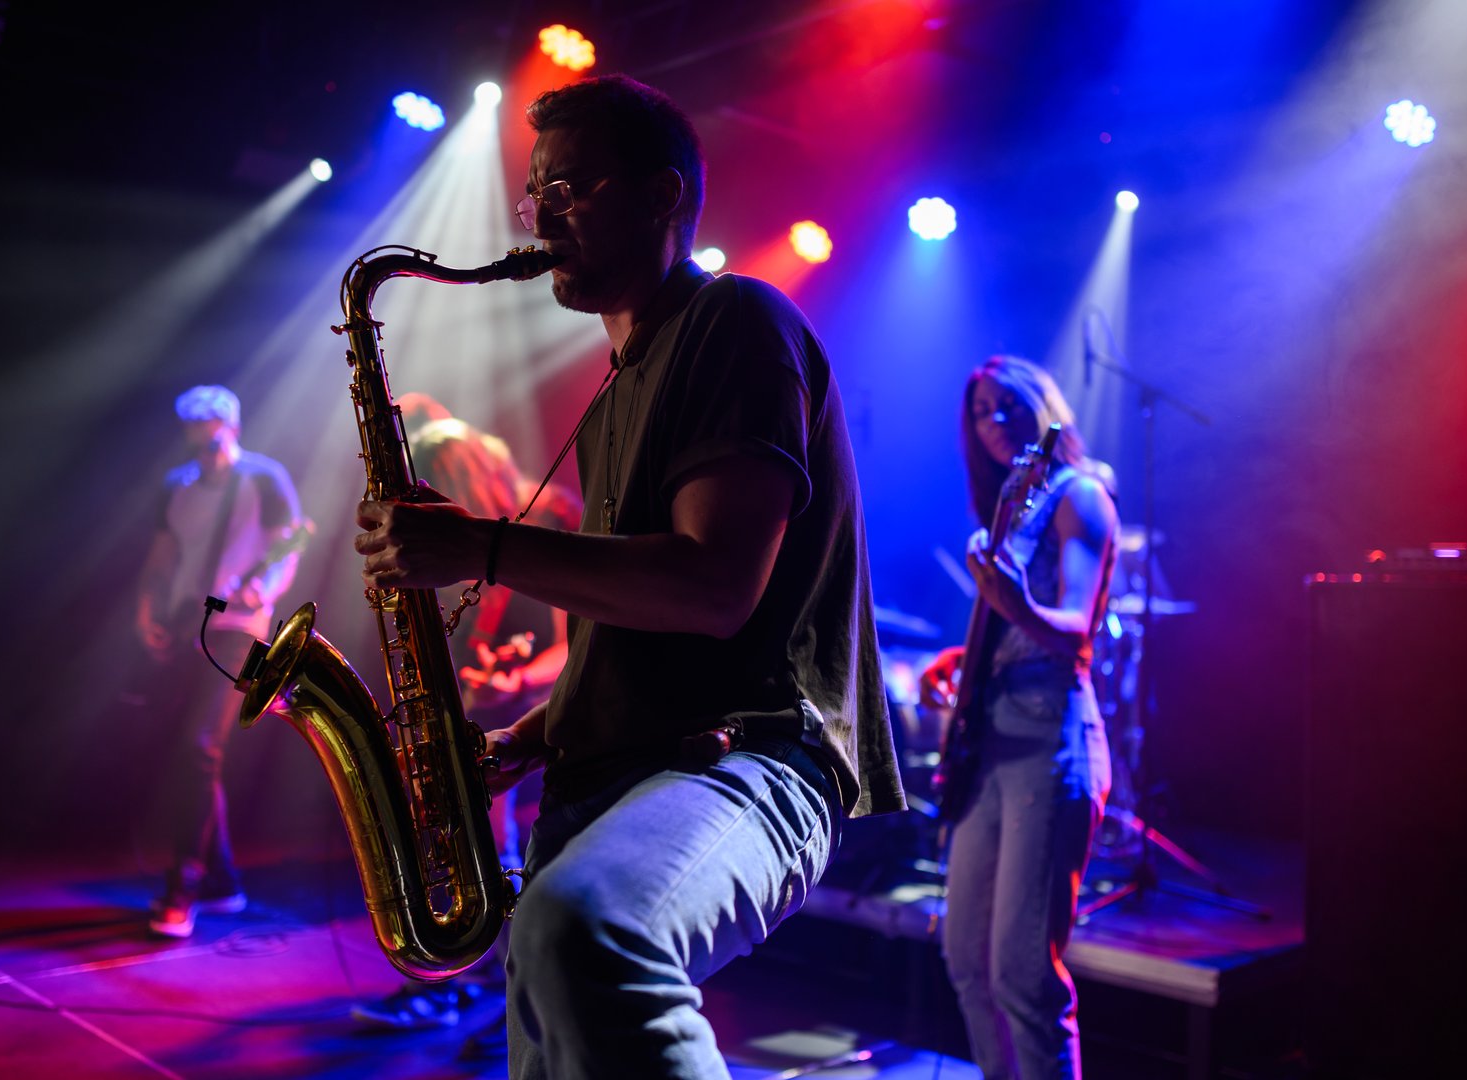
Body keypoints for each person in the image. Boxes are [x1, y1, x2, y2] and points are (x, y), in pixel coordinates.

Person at [352, 74, 905, 1078]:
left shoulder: (735, 321)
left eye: (574, 187)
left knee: (586, 931)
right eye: (537, 197)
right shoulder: (612, 399)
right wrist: (526, 738)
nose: (544, 214)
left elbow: (713, 587)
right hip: (622, 772)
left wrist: (479, 547)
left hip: (755, 759)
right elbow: (637, 625)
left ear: (663, 196)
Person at [918, 356, 1117, 1080]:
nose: (993, 423)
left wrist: (1016, 607)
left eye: (1006, 406)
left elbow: (1074, 627)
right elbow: (1011, 627)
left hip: (1048, 737)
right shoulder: (1014, 504)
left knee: (1024, 975)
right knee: (966, 959)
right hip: (991, 739)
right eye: (979, 412)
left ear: (1041, 406)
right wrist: (960, 660)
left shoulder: (1079, 494)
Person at [352, 415, 577, 1037]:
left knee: (487, 853)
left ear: (467, 473)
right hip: (488, 708)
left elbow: (571, 653)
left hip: (537, 717)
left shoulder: (546, 523)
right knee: (465, 847)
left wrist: (512, 681)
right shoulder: (482, 539)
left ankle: (495, 991)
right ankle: (479, 985)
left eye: (440, 484)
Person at [135, 384, 304, 938]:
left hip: (242, 632)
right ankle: (223, 880)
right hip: (190, 621)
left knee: (199, 747)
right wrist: (146, 609)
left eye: (213, 436)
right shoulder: (176, 487)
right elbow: (163, 555)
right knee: (189, 756)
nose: (205, 448)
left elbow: (289, 544)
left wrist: (268, 588)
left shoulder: (262, 477)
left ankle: (183, 883)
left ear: (231, 428)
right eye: (195, 438)